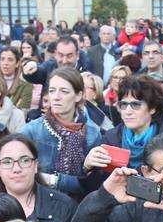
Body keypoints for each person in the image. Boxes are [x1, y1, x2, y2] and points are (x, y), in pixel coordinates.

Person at [82, 75, 163, 190]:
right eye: (123, 104)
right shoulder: (111, 139)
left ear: (153, 108)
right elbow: (96, 188)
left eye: (136, 105)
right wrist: (88, 168)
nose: (127, 111)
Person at [20, 67, 102, 197]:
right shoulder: (31, 131)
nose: (56, 97)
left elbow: (94, 186)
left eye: (64, 91)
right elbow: (20, 175)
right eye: (52, 91)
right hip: (40, 205)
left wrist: (85, 169)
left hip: (78, 207)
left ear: (78, 95)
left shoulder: (93, 134)